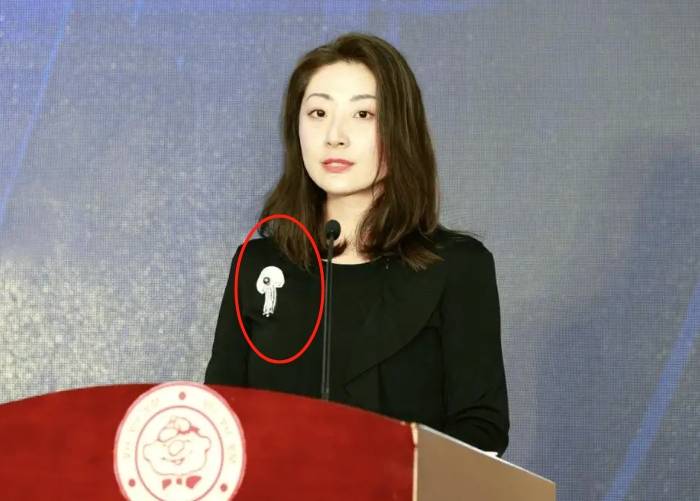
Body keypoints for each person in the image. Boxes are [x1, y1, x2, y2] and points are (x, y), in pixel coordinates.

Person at [204, 32, 509, 456]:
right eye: (318, 113)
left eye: (363, 114)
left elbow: (481, 428)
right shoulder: (258, 266)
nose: (335, 136)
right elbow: (218, 420)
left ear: (400, 129)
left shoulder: (456, 266)